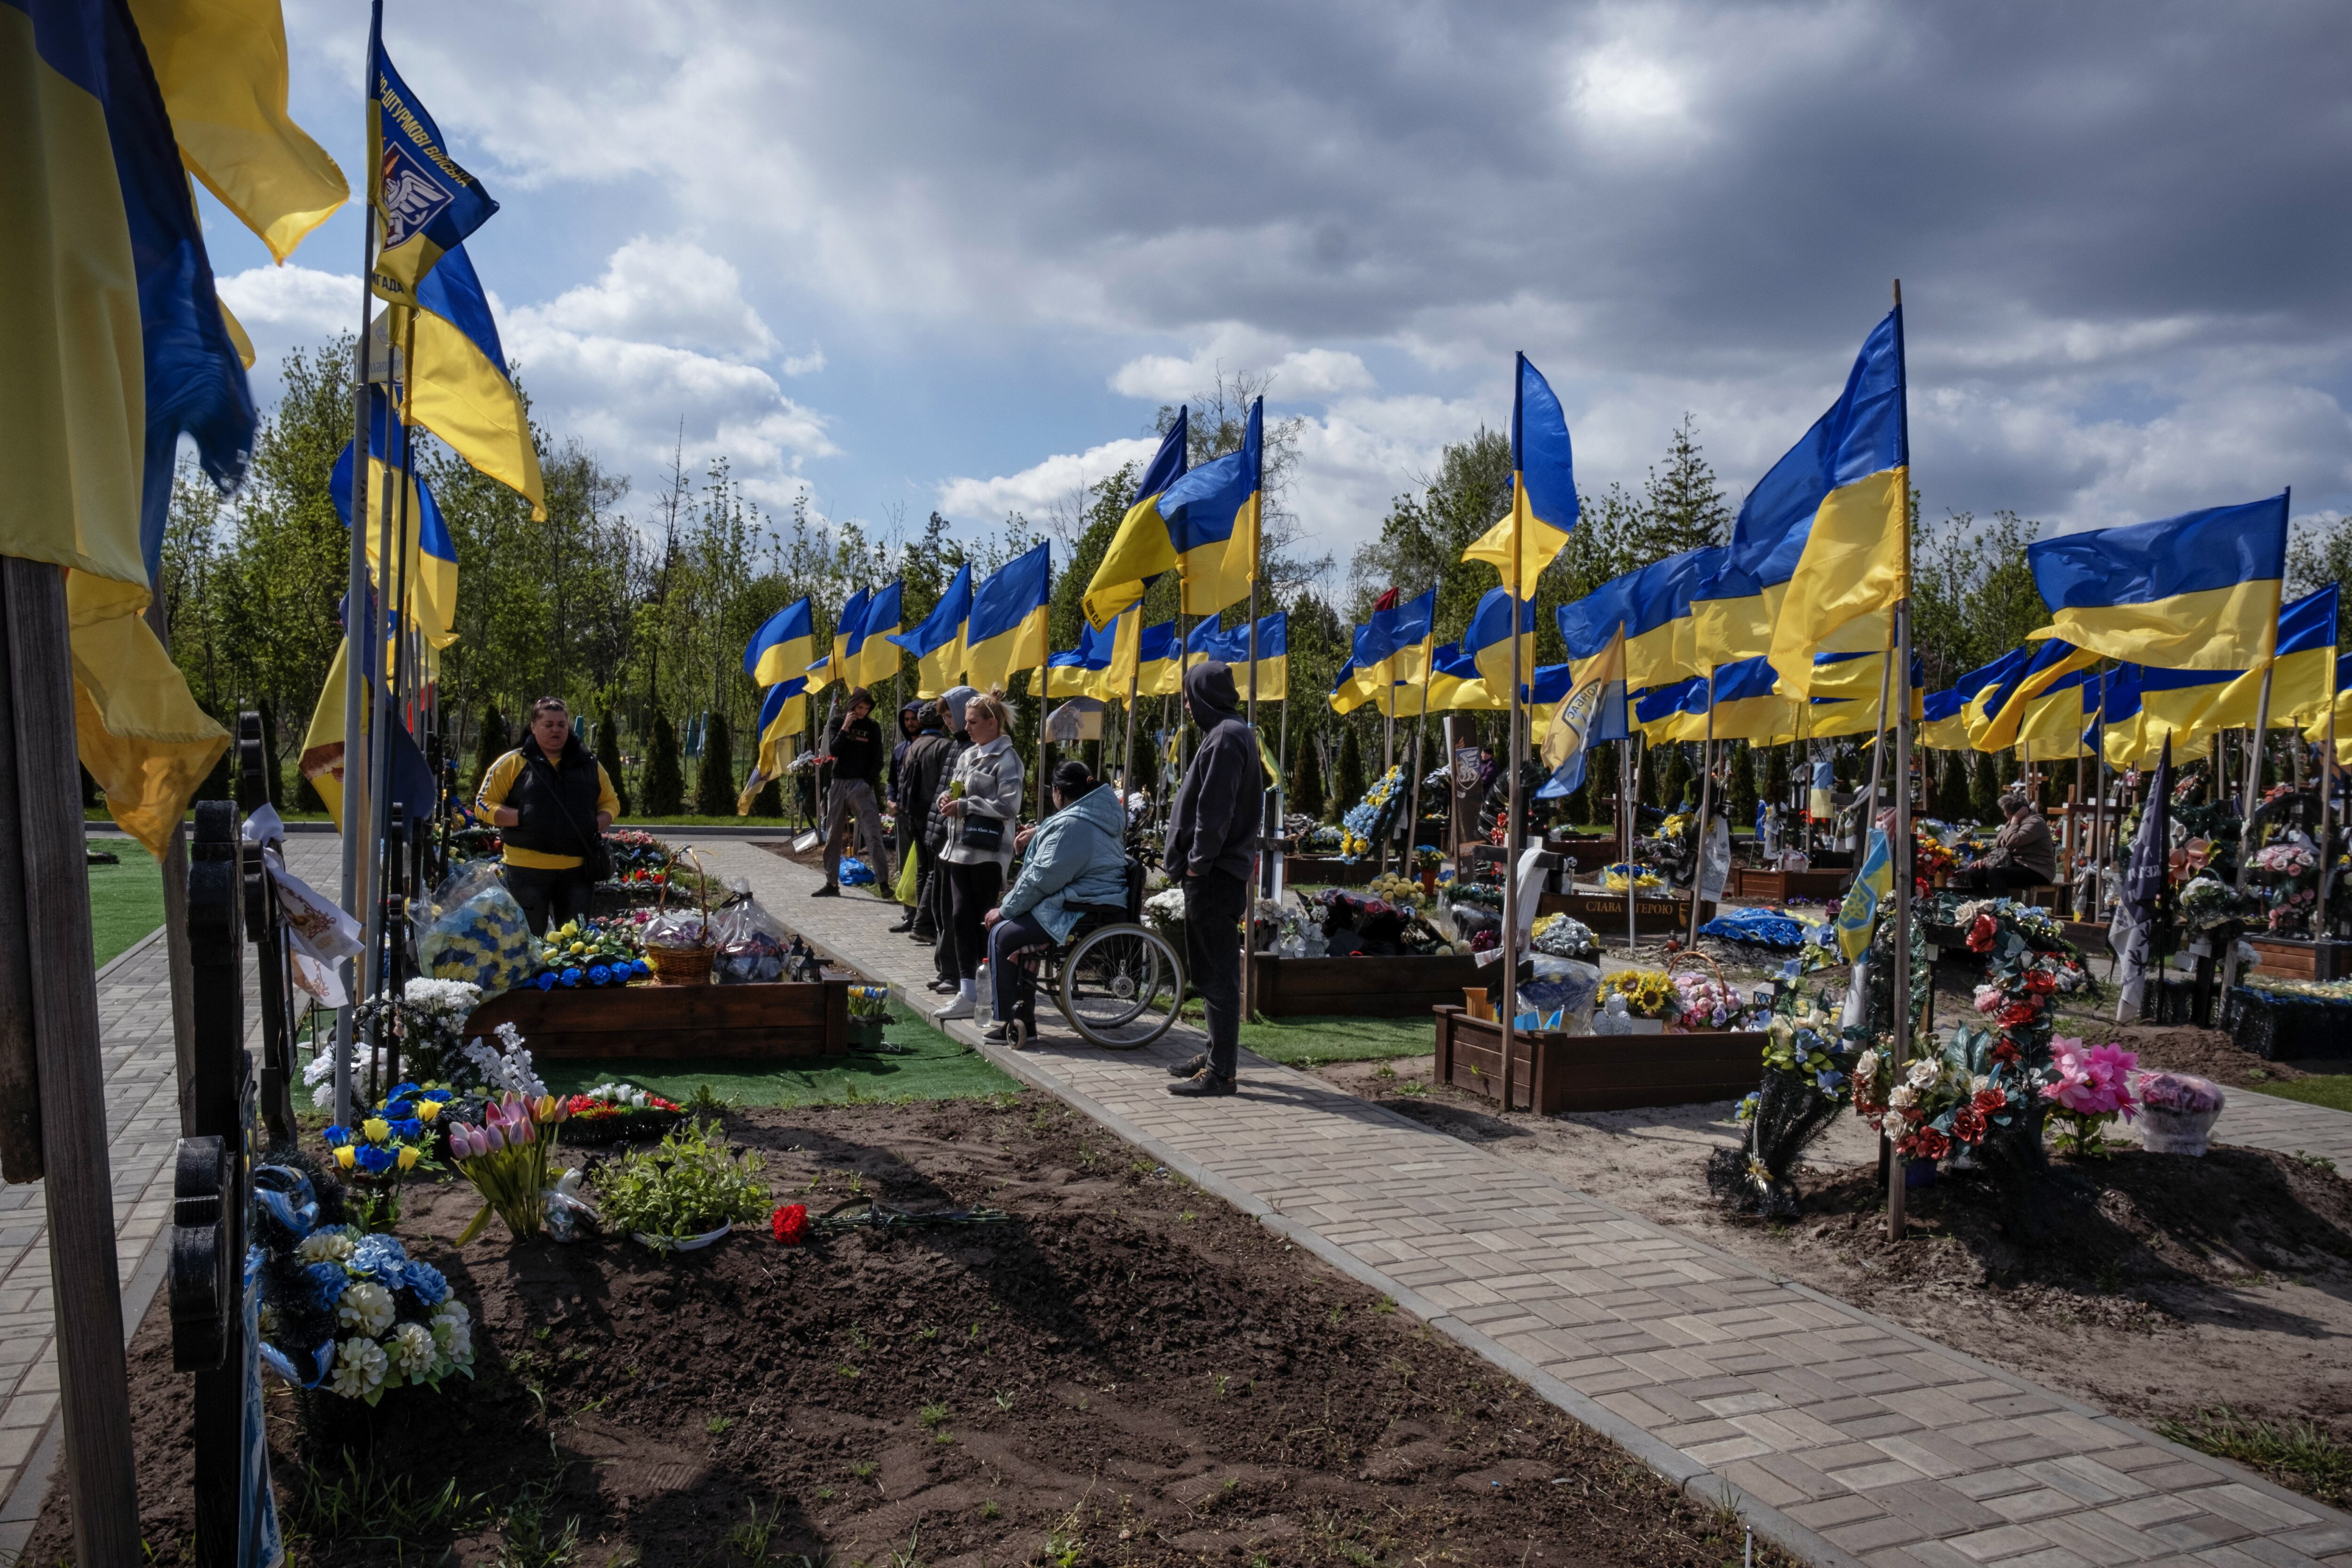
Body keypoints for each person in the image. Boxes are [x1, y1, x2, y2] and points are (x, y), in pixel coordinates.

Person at [1162, 661, 1259, 1097]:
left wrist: (1199, 862)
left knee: (1217, 972)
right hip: (1217, 873)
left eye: (1188, 696)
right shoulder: (1229, 732)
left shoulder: (1225, 738)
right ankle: (1216, 1052)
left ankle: (1222, 1073)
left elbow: (1213, 812)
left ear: (1204, 695)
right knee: (1209, 969)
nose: (1186, 705)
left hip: (1215, 875)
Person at [980, 760, 1128, 1043]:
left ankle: (1014, 1020)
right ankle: (1025, 1019)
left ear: (1058, 791)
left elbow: (1042, 878)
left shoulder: (1074, 825)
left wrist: (1006, 909)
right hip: (1089, 899)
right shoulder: (1093, 815)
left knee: (1003, 934)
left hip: (1085, 908)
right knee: (1012, 928)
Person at [475, 697, 620, 936]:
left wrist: (596, 823)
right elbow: (482, 804)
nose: (556, 730)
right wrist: (521, 817)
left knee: (575, 944)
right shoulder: (513, 762)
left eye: (562, 725)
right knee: (529, 942)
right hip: (526, 871)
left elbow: (611, 802)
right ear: (534, 727)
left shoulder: (589, 764)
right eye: (549, 724)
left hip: (578, 871)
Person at [931, 690, 1024, 1021]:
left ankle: (992, 990)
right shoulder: (968, 755)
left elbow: (1010, 806)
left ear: (992, 722)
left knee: (984, 920)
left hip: (987, 853)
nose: (966, 727)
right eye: (965, 721)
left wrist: (966, 805)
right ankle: (967, 990)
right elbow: (957, 789)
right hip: (957, 849)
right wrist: (947, 798)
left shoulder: (1008, 758)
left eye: (972, 722)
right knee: (958, 917)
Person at [921, 686, 978, 986]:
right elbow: (946, 789)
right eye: (943, 716)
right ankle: (946, 970)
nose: (948, 722)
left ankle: (955, 973)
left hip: (957, 839)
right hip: (942, 837)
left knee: (953, 912)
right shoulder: (957, 746)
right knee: (940, 909)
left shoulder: (973, 749)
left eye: (949, 715)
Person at [813, 686, 892, 898]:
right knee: (834, 835)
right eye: (859, 707)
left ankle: (884, 883)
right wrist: (846, 726)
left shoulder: (872, 727)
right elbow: (834, 750)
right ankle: (831, 883)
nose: (863, 712)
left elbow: (878, 758)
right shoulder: (838, 722)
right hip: (839, 782)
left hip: (861, 784)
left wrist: (868, 782)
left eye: (867, 708)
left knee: (873, 833)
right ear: (852, 706)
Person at [895, 700, 955, 939]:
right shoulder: (944, 746)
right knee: (936, 870)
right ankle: (927, 924)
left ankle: (921, 920)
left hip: (913, 815)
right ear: (942, 722)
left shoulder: (913, 746)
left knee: (922, 870)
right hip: (935, 814)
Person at [1953, 791, 2057, 895]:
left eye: (2005, 811)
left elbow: (2014, 840)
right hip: (2015, 865)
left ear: (2014, 813)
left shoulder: (2035, 822)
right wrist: (1987, 861)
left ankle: (2001, 908)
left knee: (1996, 874)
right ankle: (1985, 905)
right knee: (1975, 872)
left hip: (2038, 869)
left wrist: (2015, 821)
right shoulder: (2014, 823)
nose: (2004, 814)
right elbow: (2000, 847)